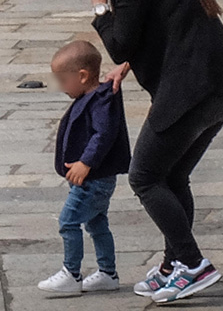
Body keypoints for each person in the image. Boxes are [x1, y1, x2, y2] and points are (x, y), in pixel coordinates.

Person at [72, 0, 223, 304]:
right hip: (220, 84)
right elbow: (163, 27)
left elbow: (120, 42)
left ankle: (192, 263)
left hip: (193, 91)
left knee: (145, 176)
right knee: (172, 175)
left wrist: (100, 5)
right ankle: (175, 266)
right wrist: (130, 63)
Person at [37, 40, 132, 294]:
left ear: (82, 76)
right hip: (88, 179)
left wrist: (86, 162)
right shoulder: (90, 96)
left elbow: (104, 134)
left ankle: (71, 273)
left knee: (68, 222)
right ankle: (107, 273)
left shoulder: (102, 99)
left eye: (63, 80)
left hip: (94, 179)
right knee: (97, 223)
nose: (60, 87)